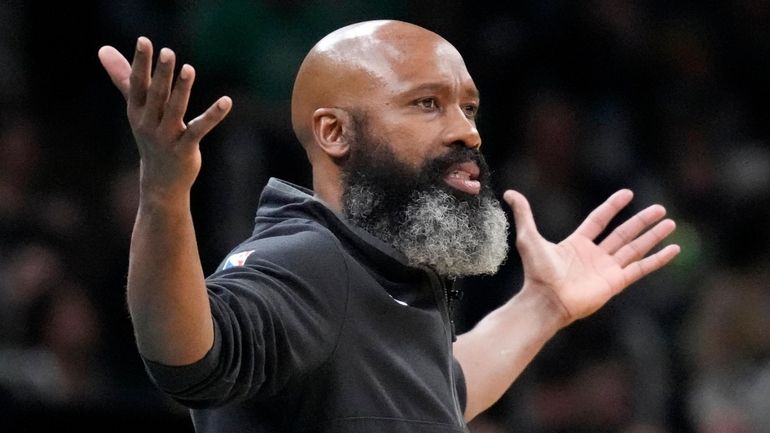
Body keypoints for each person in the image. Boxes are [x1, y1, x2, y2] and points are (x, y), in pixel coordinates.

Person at [97, 19, 680, 433]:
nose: (467, 133)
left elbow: (437, 393)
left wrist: (542, 305)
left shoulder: (383, 272)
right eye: (427, 103)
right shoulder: (306, 261)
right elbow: (188, 361)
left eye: (468, 107)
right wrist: (165, 194)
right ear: (335, 133)